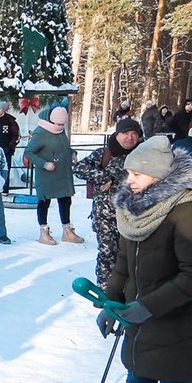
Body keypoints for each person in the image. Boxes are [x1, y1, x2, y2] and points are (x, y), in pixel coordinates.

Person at [91, 135, 192, 383]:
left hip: (179, 325)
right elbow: (123, 265)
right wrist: (111, 302)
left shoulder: (185, 212)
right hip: (142, 325)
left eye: (138, 173)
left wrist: (147, 307)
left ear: (159, 175)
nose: (130, 178)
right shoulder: (133, 209)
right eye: (129, 172)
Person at [72, 118, 141, 285]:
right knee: (108, 252)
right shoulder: (104, 153)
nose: (129, 138)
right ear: (117, 134)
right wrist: (104, 176)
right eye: (125, 133)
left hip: (134, 216)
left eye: (134, 134)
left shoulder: (143, 155)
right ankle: (105, 289)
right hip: (105, 216)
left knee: (132, 255)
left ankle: (129, 290)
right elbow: (78, 168)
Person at [24, 106, 85, 245]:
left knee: (65, 200)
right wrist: (44, 164)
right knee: (44, 202)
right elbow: (28, 152)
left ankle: (67, 230)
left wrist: (72, 152)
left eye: (62, 125)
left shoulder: (60, 131)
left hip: (62, 173)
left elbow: (63, 146)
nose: (60, 127)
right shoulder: (40, 133)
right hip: (47, 175)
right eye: (58, 124)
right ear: (51, 121)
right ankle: (43, 231)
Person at [0, 101, 20, 194]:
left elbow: (16, 136)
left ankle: (5, 189)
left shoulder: (11, 121)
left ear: (3, 109)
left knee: (5, 170)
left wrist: (9, 147)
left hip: (6, 150)